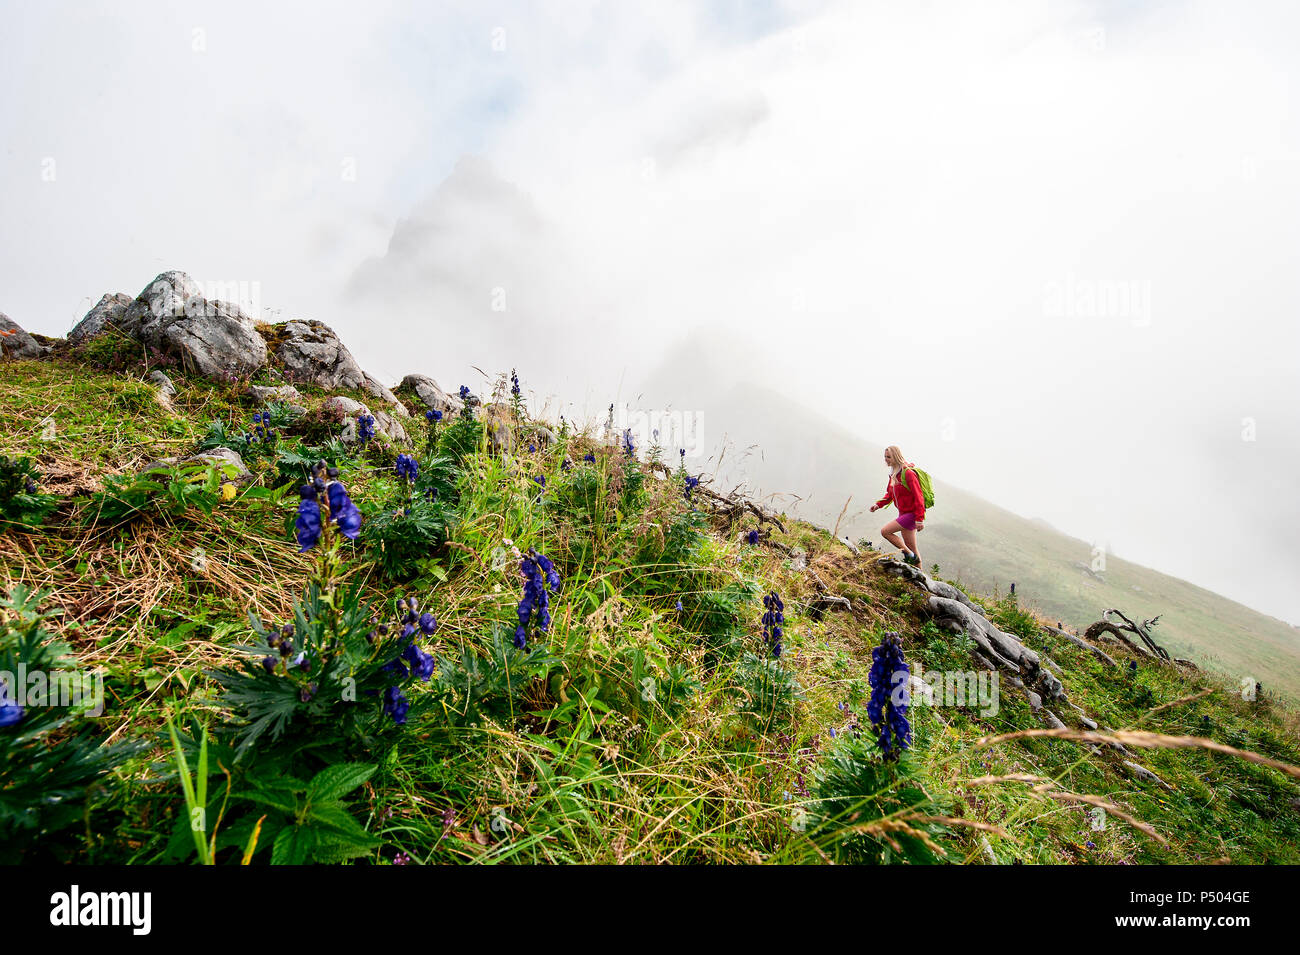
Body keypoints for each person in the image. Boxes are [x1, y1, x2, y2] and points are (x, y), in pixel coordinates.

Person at [869, 445, 925, 567]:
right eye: (885, 457)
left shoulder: (908, 473)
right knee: (912, 547)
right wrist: (878, 505)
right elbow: (889, 494)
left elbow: (919, 496)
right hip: (903, 513)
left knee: (885, 531)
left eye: (889, 457)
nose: (886, 459)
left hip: (912, 514)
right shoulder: (893, 474)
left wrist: (920, 519)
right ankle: (921, 578)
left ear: (896, 457)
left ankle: (908, 554)